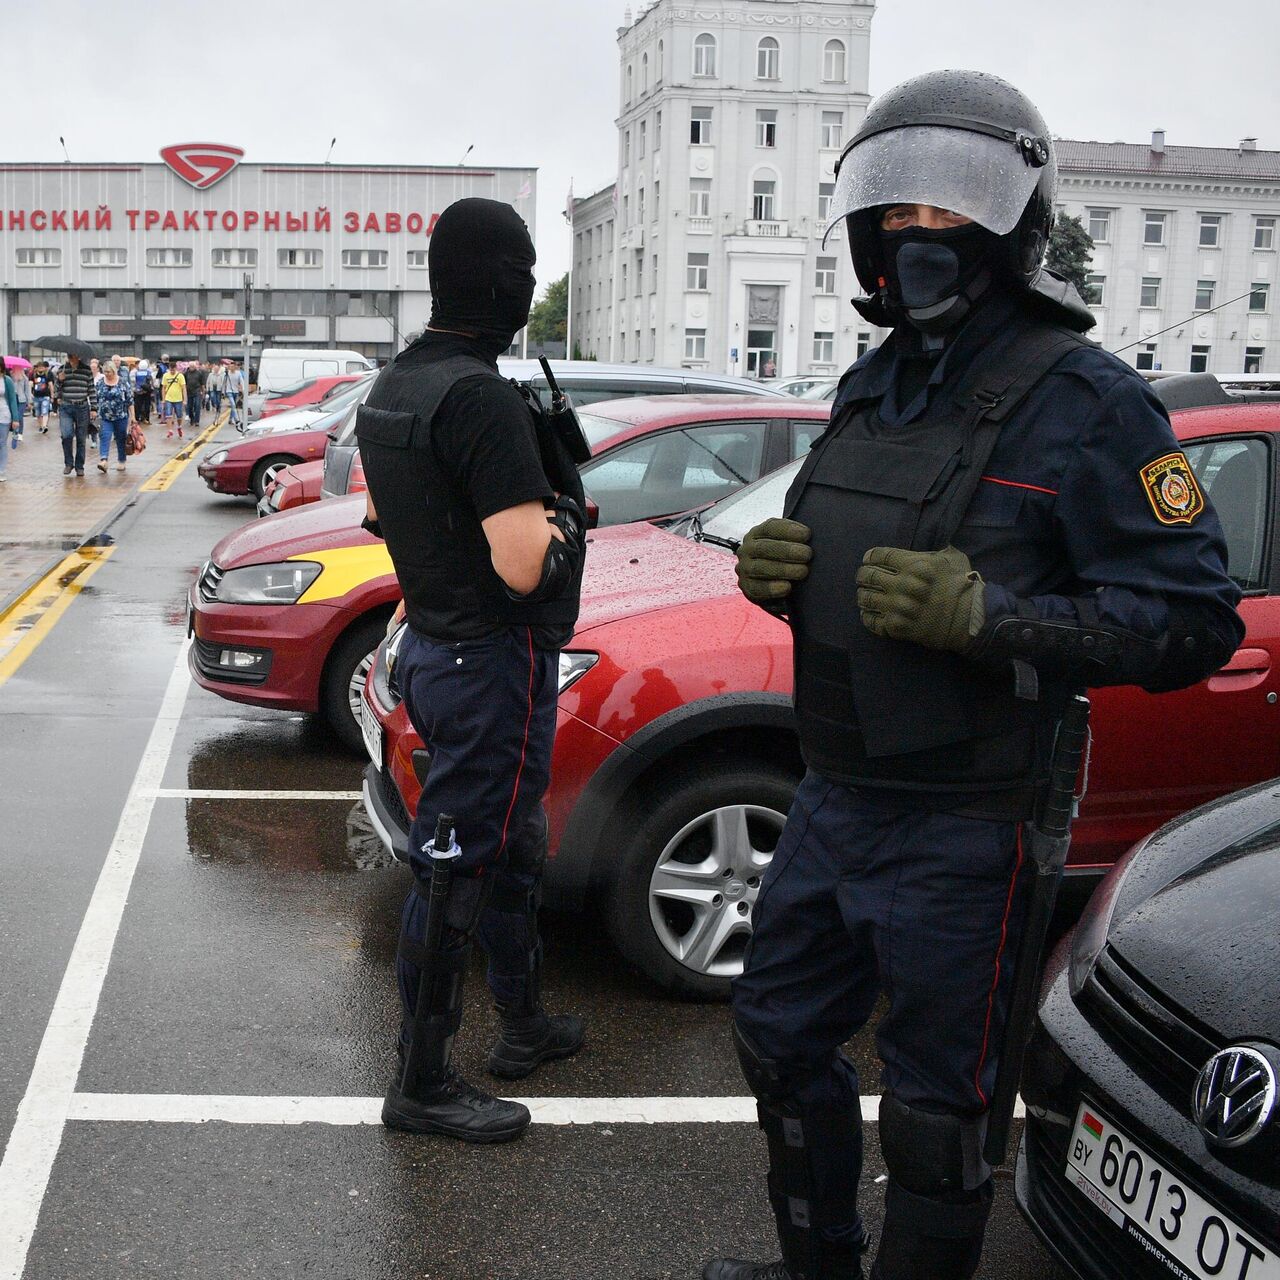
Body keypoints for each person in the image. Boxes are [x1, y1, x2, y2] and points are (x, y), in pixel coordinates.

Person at [707, 70, 1245, 1280]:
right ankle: (819, 1264)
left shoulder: (1089, 402)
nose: (915, 239)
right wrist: (779, 570)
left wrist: (988, 616)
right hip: (836, 789)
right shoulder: (872, 380)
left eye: (948, 215)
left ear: (1015, 225)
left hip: (970, 816)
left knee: (938, 1111)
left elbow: (1191, 621)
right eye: (894, 214)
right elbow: (841, 547)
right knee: (779, 1036)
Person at [356, 197, 587, 1144]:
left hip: (440, 648)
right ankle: (422, 1081)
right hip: (491, 659)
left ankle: (523, 1021)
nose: (531, 287)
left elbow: (388, 520)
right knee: (454, 868)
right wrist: (571, 517)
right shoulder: (478, 395)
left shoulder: (396, 384)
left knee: (512, 841)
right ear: (498, 278)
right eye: (525, 270)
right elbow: (525, 563)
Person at [56, 353, 95, 477]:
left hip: (82, 407)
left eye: (73, 356)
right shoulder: (62, 369)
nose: (71, 358)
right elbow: (57, 392)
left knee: (81, 438)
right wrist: (60, 381)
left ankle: (79, 466)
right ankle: (68, 463)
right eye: (69, 356)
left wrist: (94, 408)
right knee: (66, 435)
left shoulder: (86, 370)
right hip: (66, 407)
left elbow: (91, 389)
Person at [95, 358, 135, 473]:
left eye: (109, 372)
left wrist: (133, 416)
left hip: (121, 416)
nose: (107, 374)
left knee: (121, 439)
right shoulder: (100, 383)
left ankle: (121, 460)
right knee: (104, 437)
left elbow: (130, 400)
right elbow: (96, 398)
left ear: (114, 371)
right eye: (105, 372)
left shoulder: (122, 382)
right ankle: (104, 460)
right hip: (105, 416)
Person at [0, 364, 20, 482]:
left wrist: (15, 418)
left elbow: (12, 399)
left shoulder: (7, 381)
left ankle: (1, 470)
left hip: (4, 414)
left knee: (2, 443)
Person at [161, 361, 186, 437]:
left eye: (173, 370)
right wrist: (163, 399)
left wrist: (185, 399)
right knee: (168, 414)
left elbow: (183, 388)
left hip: (178, 398)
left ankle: (179, 427)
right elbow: (163, 388)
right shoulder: (165, 376)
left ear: (176, 368)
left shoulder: (180, 376)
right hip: (169, 398)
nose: (172, 371)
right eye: (171, 370)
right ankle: (170, 430)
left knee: (179, 415)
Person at [8, 362, 29, 446]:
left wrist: (29, 402)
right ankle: (15, 432)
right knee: (15, 417)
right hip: (13, 399)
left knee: (19, 416)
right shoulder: (10, 378)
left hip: (22, 400)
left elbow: (27, 391)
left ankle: (19, 433)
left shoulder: (25, 378)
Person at [31, 362, 53, 434]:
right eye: (39, 367)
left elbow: (50, 385)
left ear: (44, 368)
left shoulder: (47, 375)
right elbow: (30, 384)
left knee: (45, 411)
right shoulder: (33, 375)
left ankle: (44, 426)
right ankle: (41, 426)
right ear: (36, 368)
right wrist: (30, 394)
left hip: (45, 396)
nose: (40, 368)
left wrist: (52, 395)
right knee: (38, 413)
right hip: (36, 396)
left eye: (42, 367)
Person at [185, 360, 205, 430]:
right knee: (189, 407)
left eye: (193, 366)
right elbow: (184, 384)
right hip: (189, 392)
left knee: (197, 406)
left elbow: (202, 384)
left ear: (195, 366)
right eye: (190, 366)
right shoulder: (186, 373)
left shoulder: (199, 373)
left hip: (197, 391)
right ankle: (192, 418)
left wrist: (203, 392)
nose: (192, 367)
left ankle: (197, 421)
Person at [133, 359, 154, 425]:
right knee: (147, 406)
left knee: (138, 406)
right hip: (146, 391)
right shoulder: (148, 372)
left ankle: (137, 418)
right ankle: (146, 419)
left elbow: (135, 382)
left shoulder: (136, 373)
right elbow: (150, 381)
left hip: (138, 391)